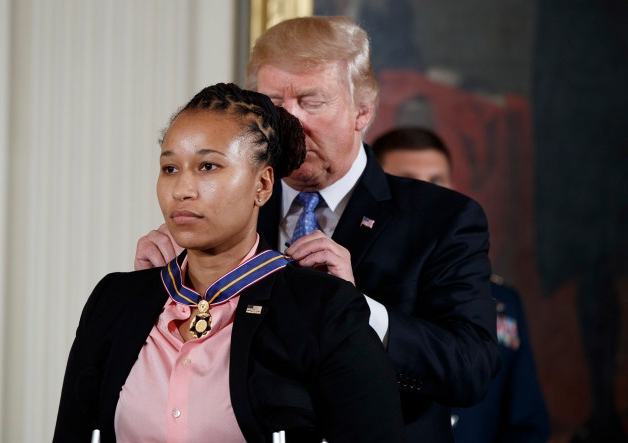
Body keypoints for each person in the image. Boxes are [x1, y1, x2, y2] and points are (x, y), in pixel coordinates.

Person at [134, 16, 499, 442]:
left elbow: (470, 370)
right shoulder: (220, 215)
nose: (287, 124)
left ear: (363, 109)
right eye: (272, 104)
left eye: (310, 102)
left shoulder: (443, 219)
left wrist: (360, 311)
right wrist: (152, 298)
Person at [54, 83, 405, 443]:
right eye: (170, 168)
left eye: (208, 166)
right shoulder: (114, 299)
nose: (181, 190)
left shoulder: (323, 307)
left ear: (263, 185)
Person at [371, 126, 551, 443]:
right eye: (409, 182)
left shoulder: (503, 301)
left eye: (437, 182)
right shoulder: (358, 293)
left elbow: (526, 420)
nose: (426, 196)